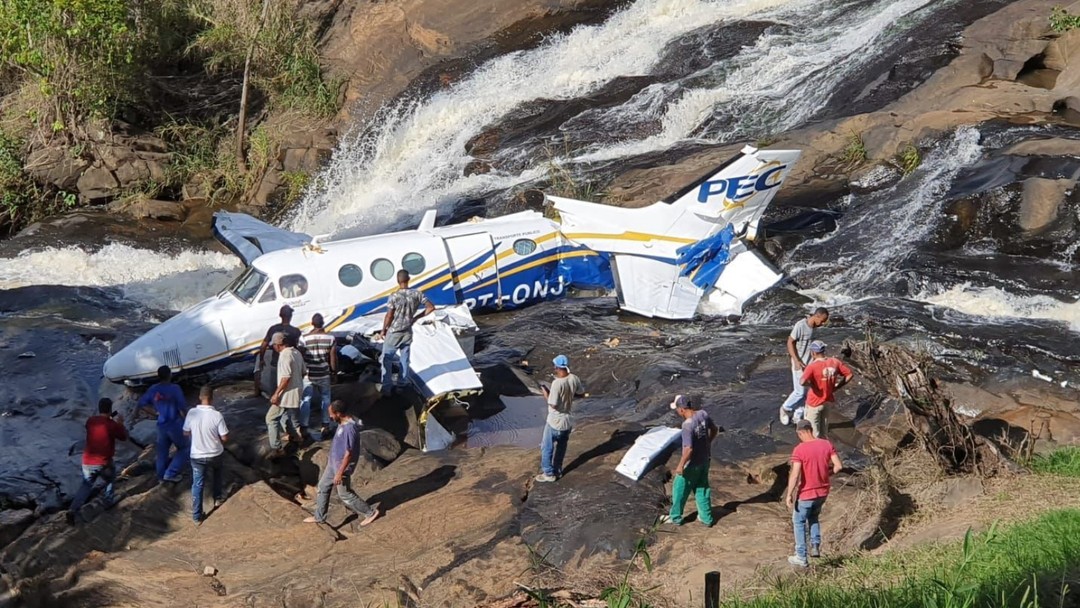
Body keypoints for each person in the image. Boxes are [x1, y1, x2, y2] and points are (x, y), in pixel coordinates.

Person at [304, 400, 380, 527]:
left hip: (341, 467)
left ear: (338, 413)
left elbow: (348, 453)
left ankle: (370, 512)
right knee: (323, 486)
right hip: (333, 463)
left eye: (331, 414)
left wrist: (339, 473)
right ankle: (319, 516)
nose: (330, 417)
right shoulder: (341, 423)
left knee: (345, 494)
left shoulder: (349, 429)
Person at [784, 419, 843, 567]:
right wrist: (826, 475)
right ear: (811, 429)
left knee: (798, 522)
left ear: (800, 432)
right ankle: (815, 546)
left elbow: (795, 474)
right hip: (823, 491)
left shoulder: (799, 449)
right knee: (814, 517)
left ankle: (801, 557)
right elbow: (838, 466)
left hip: (806, 493)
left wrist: (789, 494)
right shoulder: (826, 444)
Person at [661, 395, 718, 527]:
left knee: (679, 489)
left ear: (681, 409)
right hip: (705, 460)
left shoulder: (687, 425)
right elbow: (714, 429)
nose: (677, 412)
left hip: (691, 464)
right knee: (702, 488)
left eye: (676, 409)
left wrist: (680, 466)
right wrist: (708, 442)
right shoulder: (703, 414)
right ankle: (706, 518)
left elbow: (688, 449)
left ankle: (675, 517)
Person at [68, 398, 128, 523]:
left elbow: (96, 426)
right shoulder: (111, 425)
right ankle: (108, 500)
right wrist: (120, 424)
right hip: (103, 462)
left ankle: (73, 509)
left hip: (87, 461)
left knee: (86, 485)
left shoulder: (91, 421)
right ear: (110, 409)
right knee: (110, 478)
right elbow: (123, 437)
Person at [377, 270, 434, 397]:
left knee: (386, 359)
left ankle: (386, 387)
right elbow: (430, 307)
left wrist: (383, 330)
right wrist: (415, 318)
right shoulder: (417, 294)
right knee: (404, 359)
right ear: (408, 279)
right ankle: (401, 385)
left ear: (398, 281)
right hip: (408, 331)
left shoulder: (394, 296)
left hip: (394, 332)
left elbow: (389, 315)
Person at [535, 355, 585, 483]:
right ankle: (558, 470)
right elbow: (581, 394)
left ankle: (548, 473)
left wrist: (545, 392)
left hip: (554, 421)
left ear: (557, 367)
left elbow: (553, 404)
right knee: (561, 447)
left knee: (547, 448)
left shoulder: (557, 383)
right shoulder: (574, 378)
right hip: (567, 421)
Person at [183, 385, 229, 523]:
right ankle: (217, 498)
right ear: (212, 398)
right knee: (217, 473)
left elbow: (185, 432)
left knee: (198, 484)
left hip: (197, 456)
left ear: (200, 397)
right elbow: (225, 437)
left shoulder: (191, 413)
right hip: (215, 453)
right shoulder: (217, 415)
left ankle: (197, 517)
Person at [138, 365, 189, 482]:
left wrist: (155, 413)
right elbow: (182, 408)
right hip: (174, 424)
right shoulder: (175, 388)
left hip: (161, 424)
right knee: (185, 447)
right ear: (169, 375)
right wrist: (188, 422)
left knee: (162, 452)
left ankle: (161, 476)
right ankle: (171, 473)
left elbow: (142, 404)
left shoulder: (153, 389)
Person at [779, 307, 829, 426]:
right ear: (816, 316)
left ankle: (798, 415)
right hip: (800, 363)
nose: (822, 324)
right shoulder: (801, 325)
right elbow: (790, 342)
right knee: (799, 392)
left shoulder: (815, 328)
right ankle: (785, 408)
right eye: (822, 321)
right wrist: (796, 361)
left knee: (808, 392)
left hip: (811, 364)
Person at [799, 340, 853, 438]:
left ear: (813, 353)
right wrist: (837, 387)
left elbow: (802, 382)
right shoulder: (834, 362)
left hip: (814, 402)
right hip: (827, 400)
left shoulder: (812, 367)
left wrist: (812, 385)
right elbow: (849, 374)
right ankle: (825, 449)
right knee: (824, 430)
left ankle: (816, 451)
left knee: (813, 433)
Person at [267, 332, 306, 453]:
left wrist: (276, 394)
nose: (273, 347)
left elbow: (286, 378)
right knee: (284, 416)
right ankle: (295, 436)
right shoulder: (296, 352)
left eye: (274, 345)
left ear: (278, 344)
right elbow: (303, 372)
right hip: (297, 390)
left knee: (271, 418)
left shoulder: (285, 355)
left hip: (286, 394)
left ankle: (277, 448)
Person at [300, 313, 337, 439]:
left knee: (306, 400)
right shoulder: (330, 338)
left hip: (308, 374)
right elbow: (332, 358)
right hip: (324, 374)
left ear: (312, 323)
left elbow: (301, 356)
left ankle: (303, 427)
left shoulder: (304, 339)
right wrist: (334, 373)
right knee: (325, 399)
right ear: (323, 323)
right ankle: (325, 425)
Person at [255, 305, 302, 397]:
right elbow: (297, 348)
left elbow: (264, 345)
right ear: (291, 316)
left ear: (280, 315)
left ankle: (274, 402)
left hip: (275, 363)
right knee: (288, 389)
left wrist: (261, 359)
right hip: (289, 363)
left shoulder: (273, 329)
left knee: (274, 387)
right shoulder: (295, 331)